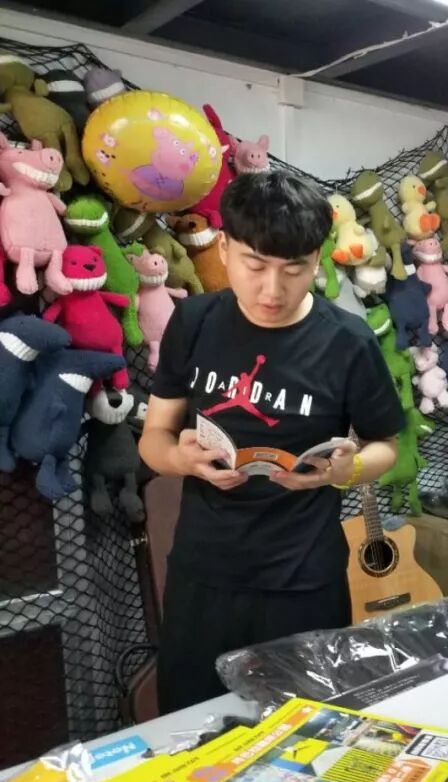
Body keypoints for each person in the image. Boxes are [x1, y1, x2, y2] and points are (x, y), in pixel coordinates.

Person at [139, 171, 405, 713]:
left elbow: (386, 446)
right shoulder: (194, 321)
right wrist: (182, 460)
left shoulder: (348, 341)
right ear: (224, 248)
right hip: (203, 573)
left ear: (317, 260)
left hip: (304, 578)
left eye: (295, 269)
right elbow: (154, 439)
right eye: (255, 265)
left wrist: (346, 471)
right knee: (192, 724)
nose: (272, 291)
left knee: (307, 729)